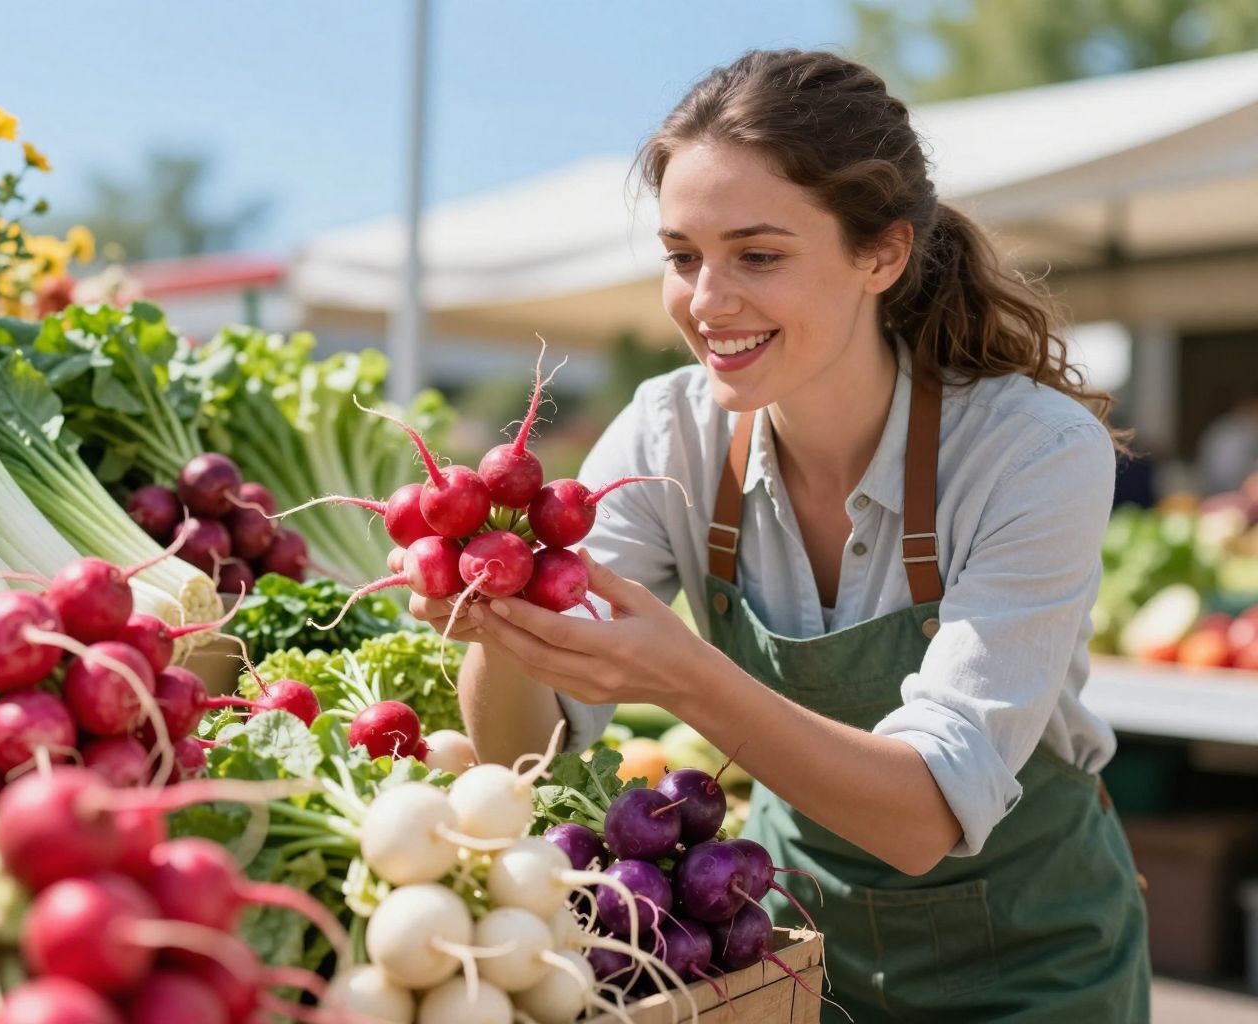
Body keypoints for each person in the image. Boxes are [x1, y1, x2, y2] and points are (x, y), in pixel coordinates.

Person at [404, 50, 1151, 1022]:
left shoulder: (1030, 449)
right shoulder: (669, 434)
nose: (707, 300)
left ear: (881, 255)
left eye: (757, 256)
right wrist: (503, 621)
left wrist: (685, 676)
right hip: (787, 951)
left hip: (1038, 967)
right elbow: (523, 750)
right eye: (682, 256)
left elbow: (925, 814)